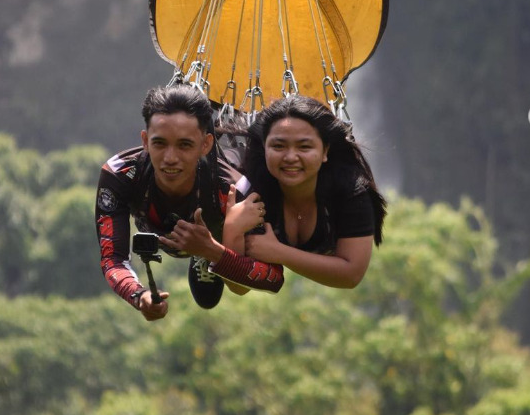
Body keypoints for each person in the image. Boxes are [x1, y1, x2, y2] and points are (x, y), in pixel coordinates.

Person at [96, 85, 283, 322]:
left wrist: (211, 249)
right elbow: (112, 258)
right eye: (160, 144)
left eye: (184, 145)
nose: (170, 158)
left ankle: (208, 255)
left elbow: (275, 278)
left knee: (219, 292)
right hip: (181, 234)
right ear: (145, 141)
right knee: (207, 295)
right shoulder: (121, 173)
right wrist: (138, 294)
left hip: (222, 230)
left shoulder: (237, 190)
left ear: (205, 144)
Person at [223, 95, 387, 289]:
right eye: (278, 146)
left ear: (325, 151)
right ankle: (205, 253)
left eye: (304, 146)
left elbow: (351, 274)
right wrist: (231, 228)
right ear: (265, 147)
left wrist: (277, 252)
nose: (291, 157)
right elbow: (239, 287)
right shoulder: (250, 189)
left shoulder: (350, 191)